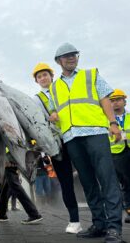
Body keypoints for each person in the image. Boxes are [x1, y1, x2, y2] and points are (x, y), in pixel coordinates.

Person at [49, 43, 123, 243]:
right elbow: (55, 109)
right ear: (58, 61)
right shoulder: (54, 87)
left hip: (95, 133)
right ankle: (99, 224)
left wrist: (113, 123)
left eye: (74, 55)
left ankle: (114, 227)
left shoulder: (90, 75)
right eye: (66, 56)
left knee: (107, 179)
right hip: (72, 137)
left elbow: (105, 99)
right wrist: (54, 114)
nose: (71, 58)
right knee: (88, 183)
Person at [32, 62, 82, 234]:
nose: (43, 78)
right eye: (39, 77)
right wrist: (48, 120)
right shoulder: (37, 99)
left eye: (45, 74)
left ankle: (99, 217)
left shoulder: (63, 88)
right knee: (66, 182)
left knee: (87, 176)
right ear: (37, 81)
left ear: (52, 76)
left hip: (75, 137)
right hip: (57, 144)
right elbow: (37, 122)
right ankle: (74, 220)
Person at [0, 158, 43, 225]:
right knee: (4, 189)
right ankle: (1, 214)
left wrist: (9, 160)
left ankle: (34, 214)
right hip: (8, 162)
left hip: (10, 162)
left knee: (15, 186)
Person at [109, 89, 130, 223]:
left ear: (124, 101)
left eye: (118, 99)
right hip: (116, 154)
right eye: (112, 100)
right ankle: (128, 210)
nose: (115, 103)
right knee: (124, 183)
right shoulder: (107, 121)